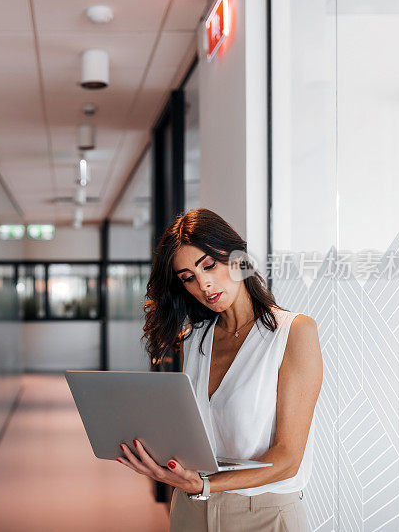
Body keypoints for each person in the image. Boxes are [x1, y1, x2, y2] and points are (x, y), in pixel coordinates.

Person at [117, 208, 322, 531]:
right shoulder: (195, 338)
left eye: (208, 265)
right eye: (188, 278)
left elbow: (287, 459)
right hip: (190, 509)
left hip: (264, 514)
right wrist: (158, 459)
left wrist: (207, 484)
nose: (204, 284)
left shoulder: (293, 332)